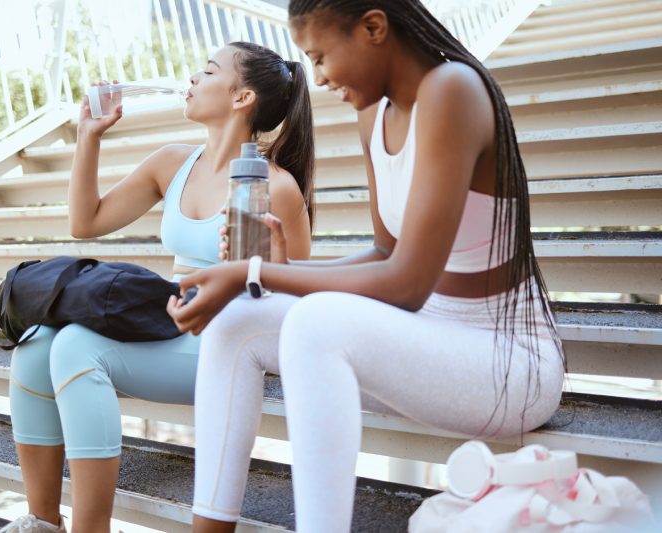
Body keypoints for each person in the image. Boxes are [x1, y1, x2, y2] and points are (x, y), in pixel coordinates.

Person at [166, 2, 566, 532]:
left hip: (505, 366)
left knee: (313, 323)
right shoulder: (373, 114)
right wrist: (275, 269)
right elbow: (383, 251)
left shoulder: (453, 90)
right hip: (424, 347)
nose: (319, 77)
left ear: (374, 28)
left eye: (322, 55)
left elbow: (404, 283)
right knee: (237, 324)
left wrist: (256, 274)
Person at [0, 42, 314, 533]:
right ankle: (41, 522)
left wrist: (266, 263)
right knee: (37, 343)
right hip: (171, 315)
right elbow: (87, 221)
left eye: (207, 71)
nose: (191, 78)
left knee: (78, 347)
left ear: (241, 97)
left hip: (224, 339)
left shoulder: (276, 186)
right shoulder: (172, 162)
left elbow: (298, 292)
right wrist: (89, 136)